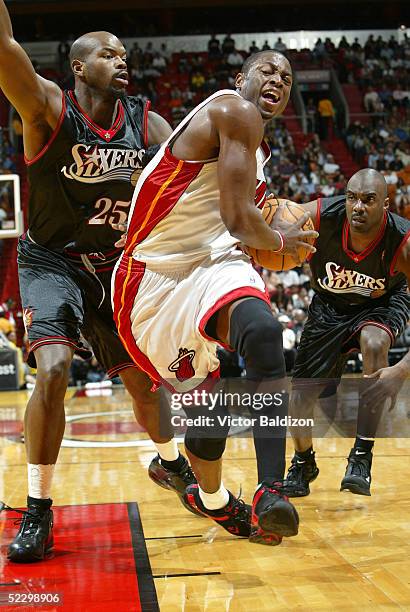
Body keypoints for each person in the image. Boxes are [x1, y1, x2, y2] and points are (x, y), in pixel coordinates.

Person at [0, 0, 196, 563]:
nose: (122, 60)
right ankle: (39, 510)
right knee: (55, 367)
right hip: (51, 259)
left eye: (125, 54)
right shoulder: (46, 107)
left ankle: (171, 462)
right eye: (108, 54)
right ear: (79, 67)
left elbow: (190, 185)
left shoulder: (150, 124)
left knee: (142, 384)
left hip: (113, 266)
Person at [113, 50, 318, 545]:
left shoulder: (257, 150)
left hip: (214, 262)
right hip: (154, 278)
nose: (278, 80)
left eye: (287, 77)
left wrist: (278, 229)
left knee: (266, 334)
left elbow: (238, 226)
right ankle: (209, 496)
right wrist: (282, 244)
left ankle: (272, 490)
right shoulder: (233, 111)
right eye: (267, 70)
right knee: (214, 401)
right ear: (240, 78)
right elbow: (238, 220)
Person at [282, 169, 410, 497]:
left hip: (382, 303)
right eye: (352, 197)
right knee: (300, 397)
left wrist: (400, 370)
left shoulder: (403, 241)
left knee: (374, 341)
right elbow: (275, 211)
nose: (358, 206)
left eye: (368, 200)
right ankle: (303, 460)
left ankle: (362, 456)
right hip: (328, 306)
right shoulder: (324, 214)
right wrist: (270, 236)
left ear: (386, 204)